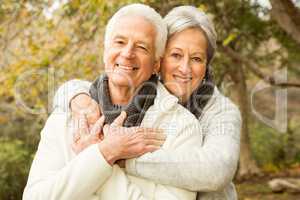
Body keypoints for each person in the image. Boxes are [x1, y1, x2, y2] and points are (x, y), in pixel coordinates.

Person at [57, 5, 242, 200]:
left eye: (196, 58)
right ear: (158, 59)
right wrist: (76, 96)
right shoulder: (143, 92)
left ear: (206, 65)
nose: (185, 68)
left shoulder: (222, 111)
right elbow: (84, 87)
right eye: (176, 55)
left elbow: (216, 170)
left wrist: (120, 155)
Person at [23, 4, 205, 200]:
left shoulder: (182, 127)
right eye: (120, 42)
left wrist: (100, 155)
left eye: (141, 47)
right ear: (105, 51)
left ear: (156, 64)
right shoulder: (67, 114)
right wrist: (105, 152)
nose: (127, 53)